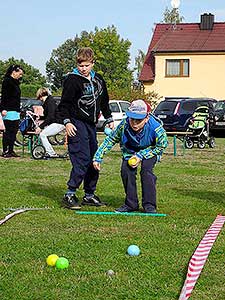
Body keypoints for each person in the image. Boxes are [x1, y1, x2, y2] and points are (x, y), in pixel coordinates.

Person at [58, 47, 114, 209]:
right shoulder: (72, 80)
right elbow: (65, 104)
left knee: (94, 158)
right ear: (77, 64)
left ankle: (89, 194)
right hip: (76, 122)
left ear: (93, 63)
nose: (83, 69)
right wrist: (67, 122)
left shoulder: (98, 80)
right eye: (81, 65)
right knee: (81, 157)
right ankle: (70, 194)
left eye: (87, 65)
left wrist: (109, 117)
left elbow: (104, 100)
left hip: (91, 124)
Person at [93, 99, 168, 213]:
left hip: (151, 150)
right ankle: (131, 204)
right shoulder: (124, 124)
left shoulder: (156, 128)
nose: (134, 123)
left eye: (139, 120)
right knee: (126, 170)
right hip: (130, 149)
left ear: (146, 118)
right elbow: (111, 139)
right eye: (132, 119)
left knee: (146, 171)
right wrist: (98, 157)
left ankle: (149, 205)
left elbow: (162, 146)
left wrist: (141, 155)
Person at [0, 64, 24, 158]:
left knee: (14, 131)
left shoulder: (16, 82)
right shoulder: (7, 81)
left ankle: (11, 150)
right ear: (14, 72)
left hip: (15, 110)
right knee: (8, 131)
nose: (20, 76)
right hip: (8, 110)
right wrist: (3, 109)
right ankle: (5, 150)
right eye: (20, 74)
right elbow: (4, 96)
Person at [35, 88, 65, 157]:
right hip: (57, 122)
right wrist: (40, 118)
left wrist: (40, 127)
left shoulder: (50, 102)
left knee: (42, 135)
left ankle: (51, 153)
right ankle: (50, 152)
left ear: (40, 95)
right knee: (43, 135)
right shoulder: (48, 101)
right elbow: (49, 116)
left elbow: (50, 117)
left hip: (58, 123)